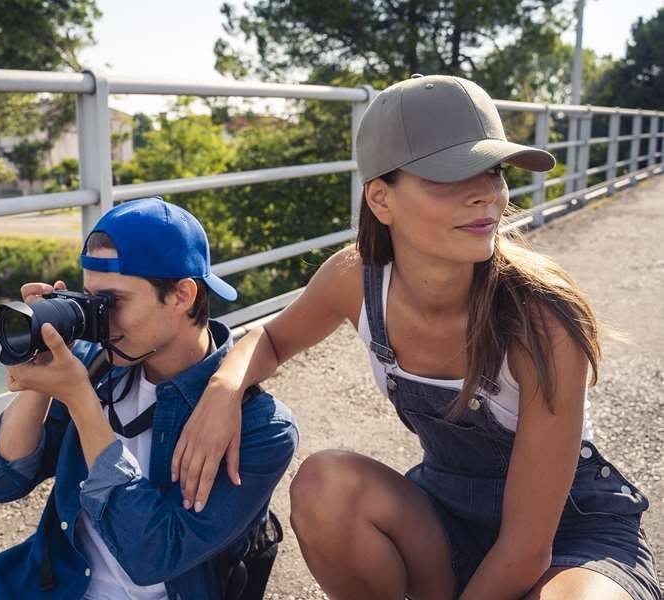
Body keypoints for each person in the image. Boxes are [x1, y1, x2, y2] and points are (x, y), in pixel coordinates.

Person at [171, 75, 662, 599]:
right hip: (445, 516)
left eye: (493, 171)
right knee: (324, 487)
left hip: (568, 537)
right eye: (450, 176)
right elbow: (269, 338)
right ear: (381, 199)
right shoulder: (355, 279)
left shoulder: (542, 319)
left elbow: (526, 549)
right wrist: (224, 390)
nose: (486, 196)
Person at [0, 197, 298, 600]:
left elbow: (151, 556)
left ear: (181, 295)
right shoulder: (95, 367)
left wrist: (82, 403)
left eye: (112, 303)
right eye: (88, 299)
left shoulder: (261, 428)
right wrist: (39, 370)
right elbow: (0, 483)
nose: (99, 319)